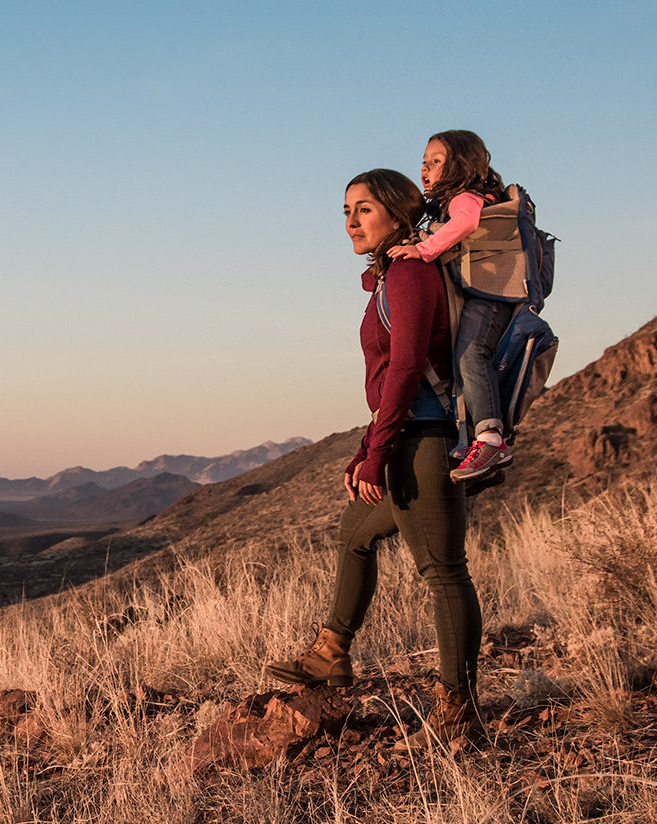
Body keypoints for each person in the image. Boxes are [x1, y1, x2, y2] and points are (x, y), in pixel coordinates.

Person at [264, 169, 483, 751]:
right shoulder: (393, 275)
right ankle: (331, 654)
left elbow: (409, 366)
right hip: (409, 435)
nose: (351, 222)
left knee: (442, 571)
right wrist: (367, 447)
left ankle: (459, 709)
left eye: (363, 209)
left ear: (397, 214)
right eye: (344, 211)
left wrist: (379, 450)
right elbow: (389, 376)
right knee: (354, 532)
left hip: (426, 442)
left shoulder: (410, 271)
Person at [385, 129, 516, 483]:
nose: (425, 169)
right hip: (486, 293)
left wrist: (423, 250)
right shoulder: (448, 202)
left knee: (471, 356)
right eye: (423, 163)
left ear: (461, 164)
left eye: (436, 162)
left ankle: (490, 440)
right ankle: (478, 448)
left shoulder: (465, 198)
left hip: (492, 297)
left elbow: (467, 221)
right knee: (464, 364)